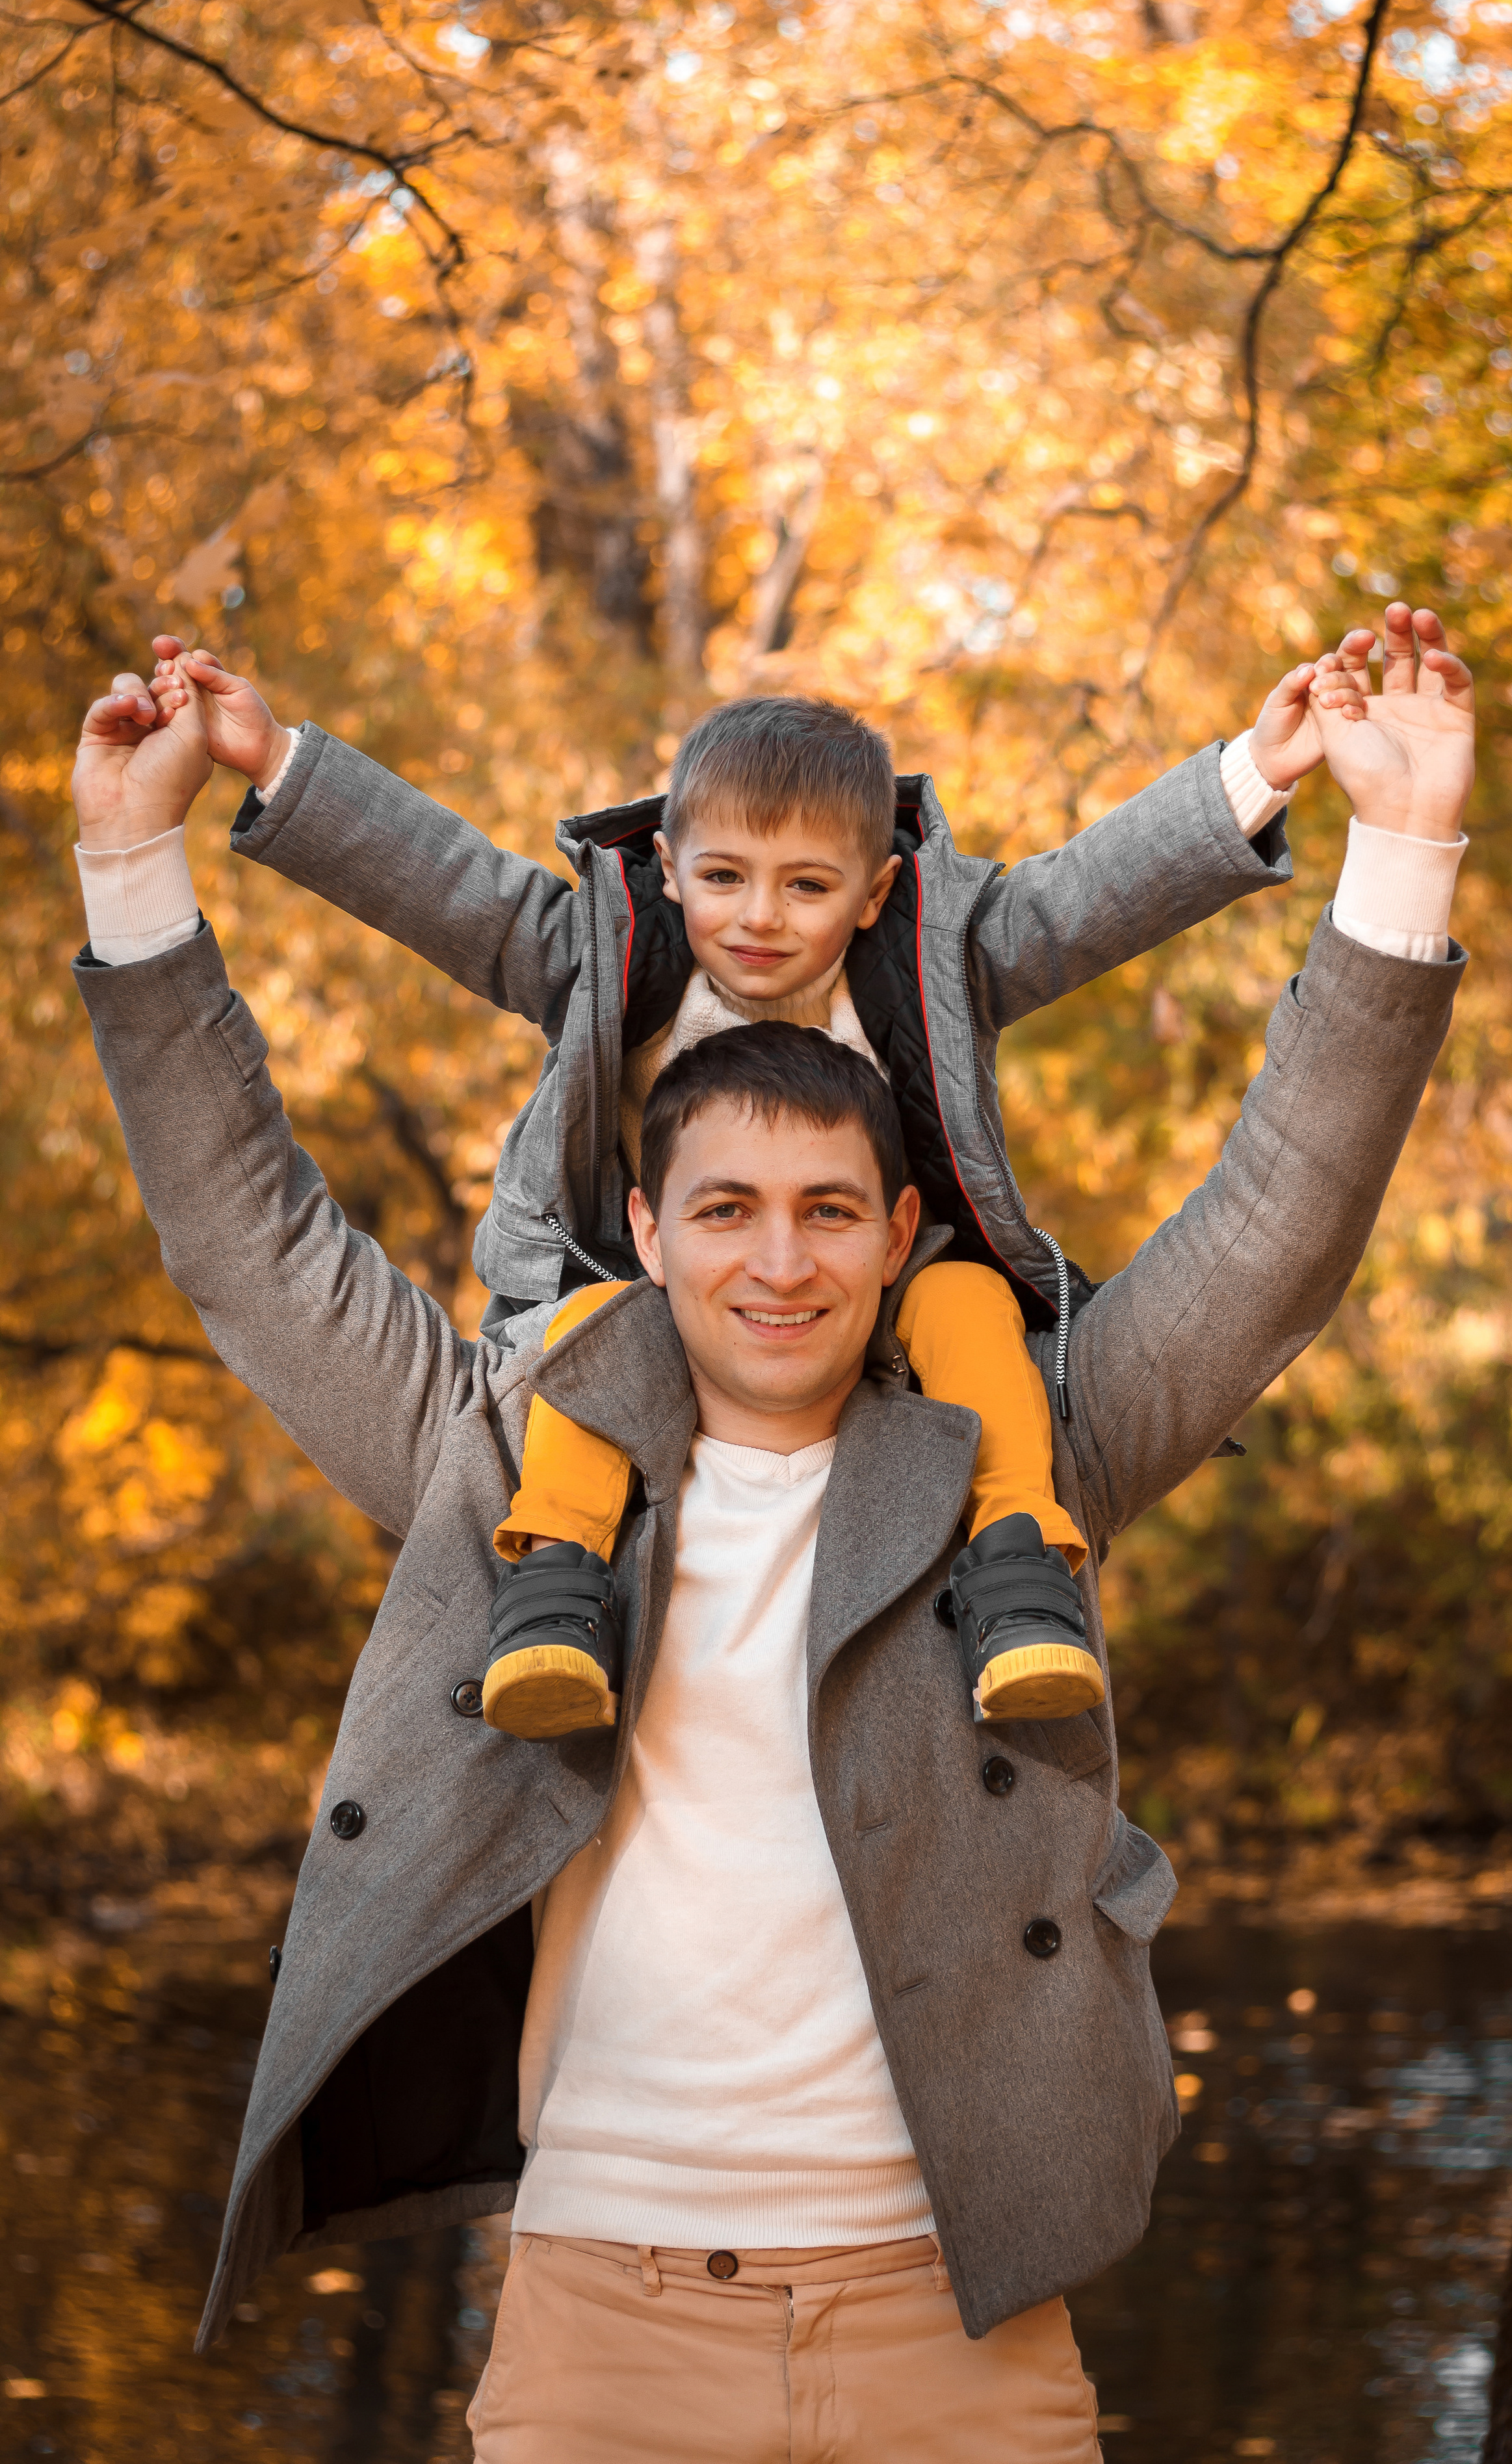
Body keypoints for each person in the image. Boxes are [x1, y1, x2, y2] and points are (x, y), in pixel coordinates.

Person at [69, 608, 1472, 2460]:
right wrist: (127, 859)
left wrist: (1402, 845)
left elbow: (1281, 1220)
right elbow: (248, 1245)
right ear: (644, 1234)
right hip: (603, 2336)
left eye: (832, 1210)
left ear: (905, 1233)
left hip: (957, 2332)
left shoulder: (1016, 1455)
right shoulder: (500, 1464)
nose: (781, 1259)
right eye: (723, 1207)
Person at [131, 625, 1396, 1742]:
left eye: (806, 887)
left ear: (872, 891)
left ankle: (1017, 1555)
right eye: (724, 877)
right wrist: (277, 760)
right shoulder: (609, 952)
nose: (758, 919)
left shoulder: (933, 957)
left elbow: (1085, 899)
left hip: (888, 1282)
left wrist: (1256, 770)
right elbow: (450, 887)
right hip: (645, 1277)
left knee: (974, 1319)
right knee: (585, 1337)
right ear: (670, 866)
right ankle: (557, 1575)